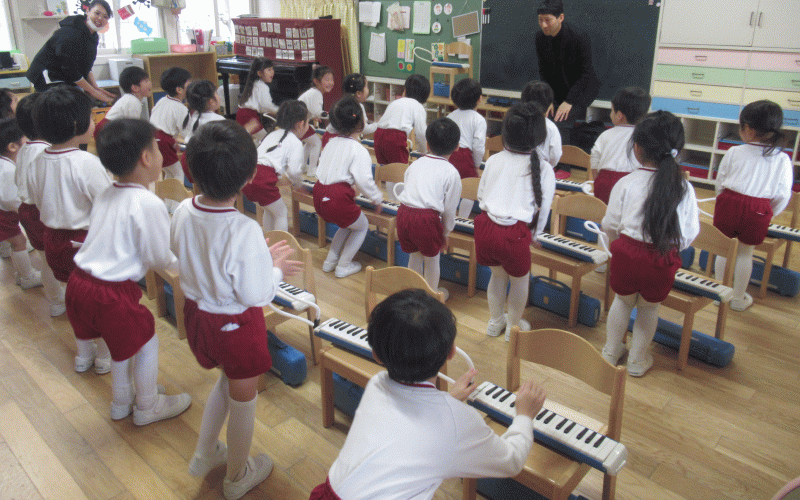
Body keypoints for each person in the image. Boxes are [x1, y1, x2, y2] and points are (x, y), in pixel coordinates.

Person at [310, 289, 547, 500]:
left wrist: (448, 401)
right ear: (451, 353)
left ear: (376, 355)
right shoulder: (457, 423)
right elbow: (511, 461)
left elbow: (408, 428)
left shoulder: (376, 384)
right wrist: (524, 415)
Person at [172, 120, 302, 500]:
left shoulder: (182, 209)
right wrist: (273, 268)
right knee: (244, 400)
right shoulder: (243, 229)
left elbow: (182, 253)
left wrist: (256, 258)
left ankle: (205, 454)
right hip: (234, 325)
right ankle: (237, 476)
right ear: (249, 177)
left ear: (191, 168)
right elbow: (256, 294)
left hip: (197, 316)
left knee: (225, 382)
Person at [67, 118, 191, 424]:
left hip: (79, 282)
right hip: (110, 293)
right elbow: (159, 258)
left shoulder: (107, 192)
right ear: (147, 158)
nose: (162, 155)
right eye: (158, 149)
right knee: (146, 341)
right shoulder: (148, 202)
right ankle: (147, 406)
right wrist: (187, 267)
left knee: (120, 345)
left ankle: (122, 402)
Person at [601, 111, 700, 377]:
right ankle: (637, 360)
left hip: (626, 253)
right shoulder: (684, 188)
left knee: (622, 302)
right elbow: (688, 234)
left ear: (637, 148)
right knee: (649, 308)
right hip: (661, 258)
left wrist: (618, 245)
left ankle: (610, 351)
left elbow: (609, 224)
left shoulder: (625, 183)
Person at [29, 85, 113, 373]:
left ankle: (83, 354)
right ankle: (105, 357)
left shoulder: (37, 160)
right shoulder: (86, 162)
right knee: (99, 303)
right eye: (91, 117)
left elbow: (35, 198)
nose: (94, 122)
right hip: (85, 242)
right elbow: (106, 204)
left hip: (53, 239)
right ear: (77, 124)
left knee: (73, 300)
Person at [475, 103, 556, 341]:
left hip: (486, 227)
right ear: (540, 137)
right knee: (520, 282)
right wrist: (535, 235)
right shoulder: (544, 168)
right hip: (515, 233)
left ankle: (495, 322)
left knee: (497, 277)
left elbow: (481, 195)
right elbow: (544, 209)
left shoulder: (494, 160)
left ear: (506, 133)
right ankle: (513, 328)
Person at [713, 100, 793, 312]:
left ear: (748, 129)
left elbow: (720, 182)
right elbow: (783, 194)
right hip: (758, 209)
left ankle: (718, 294)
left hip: (729, 202)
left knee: (724, 249)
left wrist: (723, 201)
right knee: (745, 254)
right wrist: (769, 213)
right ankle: (738, 299)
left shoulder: (733, 152)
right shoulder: (782, 159)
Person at [314, 96, 382, 279]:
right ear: (361, 124)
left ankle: (330, 261)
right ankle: (343, 266)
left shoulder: (330, 142)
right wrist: (377, 199)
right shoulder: (358, 149)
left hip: (319, 193)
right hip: (336, 197)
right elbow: (365, 181)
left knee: (347, 225)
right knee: (362, 226)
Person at [396, 118, 462, 300]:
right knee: (432, 260)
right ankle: (430, 297)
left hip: (403, 213)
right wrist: (445, 233)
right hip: (425, 219)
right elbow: (449, 209)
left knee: (414, 256)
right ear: (457, 146)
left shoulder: (415, 164)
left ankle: (412, 294)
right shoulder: (451, 172)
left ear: (427, 144)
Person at [535, 0, 599, 176]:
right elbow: (543, 72)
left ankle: (565, 167)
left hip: (582, 89)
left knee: (562, 119)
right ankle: (548, 162)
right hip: (556, 89)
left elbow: (585, 74)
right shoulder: (540, 38)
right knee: (545, 116)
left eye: (548, 20)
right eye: (540, 20)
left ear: (561, 18)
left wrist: (569, 101)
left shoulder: (578, 36)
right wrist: (548, 99)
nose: (543, 25)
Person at [15, 93, 65, 316]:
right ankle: (59, 301)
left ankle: (55, 302)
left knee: (45, 259)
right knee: (51, 261)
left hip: (27, 210)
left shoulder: (26, 148)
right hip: (39, 212)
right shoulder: (43, 151)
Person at [26, 0, 116, 104]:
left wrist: (95, 87)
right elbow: (69, 68)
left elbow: (86, 64)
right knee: (72, 106)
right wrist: (94, 92)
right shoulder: (71, 33)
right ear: (88, 11)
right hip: (49, 79)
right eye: (97, 13)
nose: (100, 18)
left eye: (105, 16)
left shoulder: (93, 36)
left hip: (67, 77)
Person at [240, 100, 309, 232]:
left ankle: (269, 240)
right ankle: (280, 242)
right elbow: (294, 171)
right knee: (281, 212)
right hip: (262, 177)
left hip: (247, 175)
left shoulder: (271, 134)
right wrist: (297, 185)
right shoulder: (295, 142)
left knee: (270, 209)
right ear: (301, 124)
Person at [0, 118, 42, 291]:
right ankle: (27, 277)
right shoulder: (8, 170)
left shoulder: (5, 164)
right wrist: (26, 207)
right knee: (19, 241)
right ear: (12, 146)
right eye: (27, 140)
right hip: (3, 216)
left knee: (15, 242)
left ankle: (21, 274)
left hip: (4, 214)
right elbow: (9, 199)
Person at [590, 87, 651, 204]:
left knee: (603, 211)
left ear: (619, 115)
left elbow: (595, 159)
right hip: (633, 181)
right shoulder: (644, 136)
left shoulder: (605, 135)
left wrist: (597, 181)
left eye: (611, 110)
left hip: (605, 181)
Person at [374, 74, 430, 200]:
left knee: (389, 170)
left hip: (378, 134)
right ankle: (400, 201)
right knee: (400, 173)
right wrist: (424, 152)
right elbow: (421, 133)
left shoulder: (395, 102)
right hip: (395, 137)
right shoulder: (418, 107)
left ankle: (392, 200)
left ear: (405, 90)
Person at [447, 78, 486, 219]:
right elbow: (478, 146)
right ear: (480, 99)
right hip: (464, 155)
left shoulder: (450, 116)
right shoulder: (478, 119)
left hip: (448, 153)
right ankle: (462, 219)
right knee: (470, 189)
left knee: (451, 188)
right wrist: (476, 165)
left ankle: (449, 217)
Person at [150, 67, 191, 182]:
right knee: (178, 173)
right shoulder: (181, 108)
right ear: (179, 90)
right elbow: (187, 134)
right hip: (163, 141)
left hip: (152, 137)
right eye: (189, 85)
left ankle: (167, 194)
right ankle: (176, 194)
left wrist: (173, 141)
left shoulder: (162, 100)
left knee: (169, 172)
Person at [180, 80, 226, 183]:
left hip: (188, 161)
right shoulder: (218, 120)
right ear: (211, 101)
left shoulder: (192, 116)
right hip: (203, 165)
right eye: (216, 93)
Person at [93, 66, 152, 141]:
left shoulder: (130, 98)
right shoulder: (133, 102)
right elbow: (133, 128)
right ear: (135, 88)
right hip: (107, 132)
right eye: (146, 81)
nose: (150, 83)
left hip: (108, 129)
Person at [322, 73, 377, 148]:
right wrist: (377, 124)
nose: (368, 89)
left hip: (328, 138)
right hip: (339, 141)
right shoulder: (357, 106)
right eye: (367, 86)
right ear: (358, 93)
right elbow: (363, 128)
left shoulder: (343, 102)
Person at [298, 65, 335, 176]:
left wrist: (314, 115)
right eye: (327, 80)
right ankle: (312, 170)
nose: (330, 83)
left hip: (299, 121)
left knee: (310, 143)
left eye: (332, 79)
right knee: (317, 143)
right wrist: (332, 115)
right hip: (299, 123)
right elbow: (318, 112)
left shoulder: (314, 92)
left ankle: (303, 166)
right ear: (316, 81)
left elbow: (312, 110)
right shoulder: (316, 93)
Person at [521, 80, 562, 169]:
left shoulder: (515, 120)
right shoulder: (551, 128)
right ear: (549, 104)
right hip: (542, 170)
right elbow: (555, 156)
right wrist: (547, 166)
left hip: (515, 169)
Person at [236, 58, 278, 135]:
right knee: (265, 139)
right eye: (269, 70)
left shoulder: (254, 83)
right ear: (259, 73)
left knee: (246, 138)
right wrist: (278, 110)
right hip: (249, 116)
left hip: (241, 114)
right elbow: (266, 106)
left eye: (272, 69)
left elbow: (263, 108)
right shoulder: (262, 86)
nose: (272, 72)